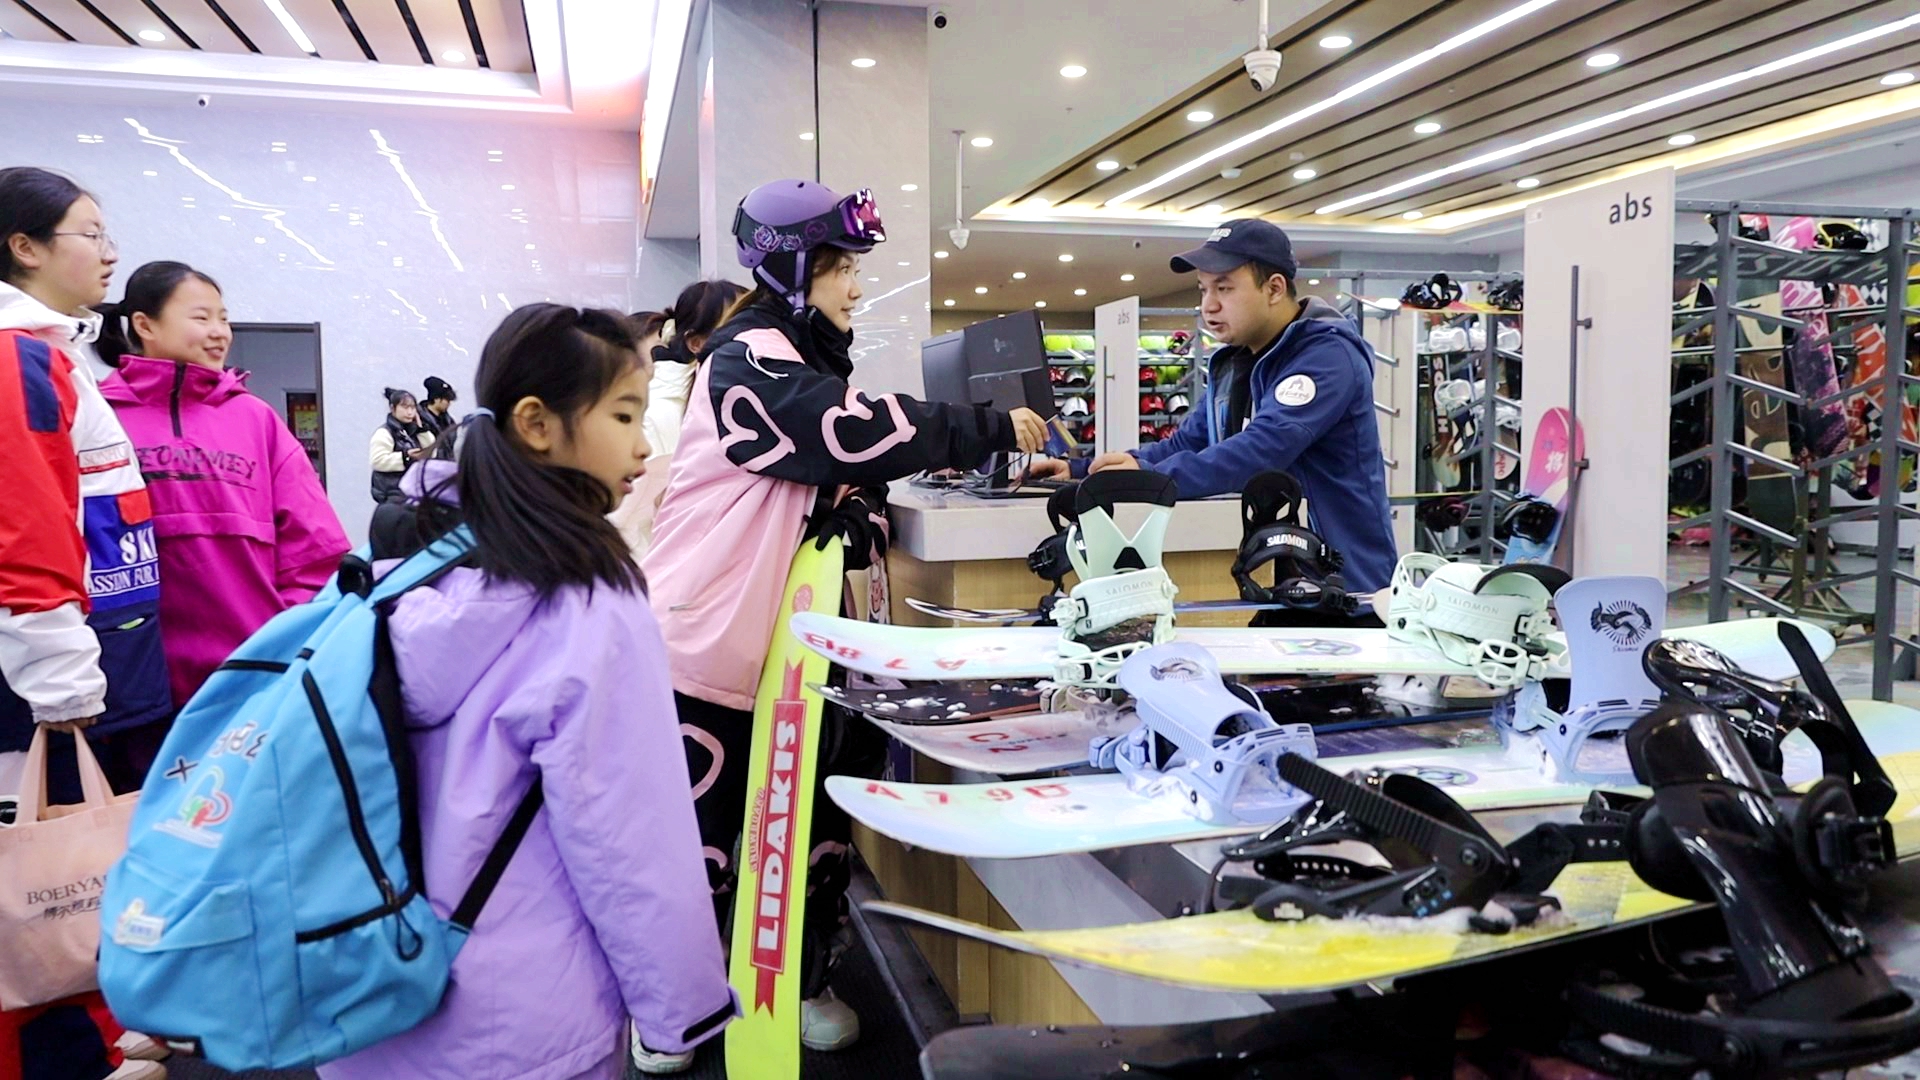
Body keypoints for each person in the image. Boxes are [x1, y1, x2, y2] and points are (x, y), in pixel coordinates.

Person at [641, 179, 1045, 1068]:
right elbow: (832, 434)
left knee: (814, 821)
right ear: (793, 271)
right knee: (701, 839)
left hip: (798, 648)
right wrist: (981, 429)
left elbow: (839, 469)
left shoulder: (803, 354)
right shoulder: (747, 357)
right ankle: (673, 1003)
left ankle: (802, 978)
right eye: (839, 269)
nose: (856, 287)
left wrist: (859, 505)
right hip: (710, 644)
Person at [321, 304, 734, 1080]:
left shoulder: (397, 566)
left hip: (369, 991)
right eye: (624, 415)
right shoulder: (590, 600)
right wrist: (682, 1006)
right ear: (538, 424)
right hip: (528, 1023)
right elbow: (630, 837)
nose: (645, 445)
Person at [0, 167, 171, 1080]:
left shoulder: (57, 354)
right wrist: (63, 685)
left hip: (87, 666)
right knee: (47, 880)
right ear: (25, 247)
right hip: (44, 684)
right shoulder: (16, 359)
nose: (110, 253)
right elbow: (26, 529)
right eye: (90, 232)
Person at [1030, 218, 1397, 604]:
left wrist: (1149, 477)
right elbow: (1189, 441)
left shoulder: (1326, 356)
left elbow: (1261, 450)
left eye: (1224, 288)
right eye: (1204, 289)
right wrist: (1087, 470)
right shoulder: (1236, 363)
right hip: (1267, 573)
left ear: (1274, 288)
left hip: (1341, 584)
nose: (1209, 305)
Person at [96, 261, 350, 708]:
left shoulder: (255, 419)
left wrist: (281, 641)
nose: (219, 332)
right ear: (144, 325)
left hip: (250, 679)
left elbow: (315, 551)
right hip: (128, 684)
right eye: (201, 317)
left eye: (223, 318)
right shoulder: (98, 419)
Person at [609, 280, 745, 558]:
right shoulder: (658, 415)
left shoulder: (747, 402)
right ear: (696, 343)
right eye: (738, 327)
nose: (755, 337)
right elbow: (629, 526)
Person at [369, 387, 433, 504]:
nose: (409, 412)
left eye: (412, 408)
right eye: (405, 407)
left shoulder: (414, 431)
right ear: (392, 408)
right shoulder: (384, 432)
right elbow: (377, 461)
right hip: (391, 493)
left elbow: (433, 452)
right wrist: (405, 457)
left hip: (412, 493)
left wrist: (422, 430)